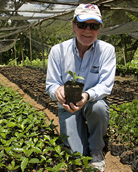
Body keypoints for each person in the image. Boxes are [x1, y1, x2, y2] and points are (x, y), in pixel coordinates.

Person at [46, 4, 116, 172]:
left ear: (99, 29)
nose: (87, 30)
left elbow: (106, 85)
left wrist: (86, 95)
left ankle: (97, 150)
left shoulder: (107, 50)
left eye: (94, 26)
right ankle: (81, 132)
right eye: (82, 24)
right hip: (68, 105)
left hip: (92, 102)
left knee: (98, 107)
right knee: (76, 156)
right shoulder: (58, 51)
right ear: (73, 26)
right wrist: (57, 92)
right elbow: (51, 84)